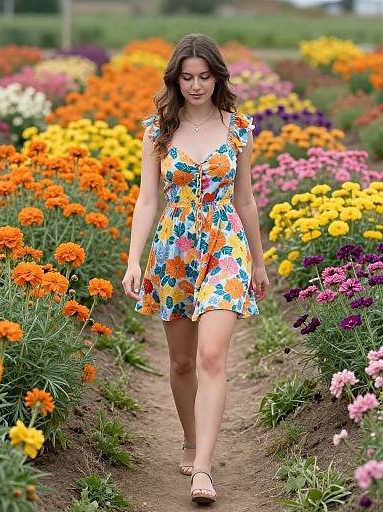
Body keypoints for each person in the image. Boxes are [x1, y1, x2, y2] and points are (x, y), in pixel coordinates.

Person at [122, 33, 269, 505]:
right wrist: (133, 258)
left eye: (204, 76)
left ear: (218, 76)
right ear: (175, 79)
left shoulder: (240, 128)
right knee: (183, 361)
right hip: (173, 250)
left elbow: (245, 199)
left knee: (211, 357)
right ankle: (189, 438)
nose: (196, 85)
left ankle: (202, 469)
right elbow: (148, 199)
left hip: (226, 245)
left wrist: (259, 261)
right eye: (187, 77)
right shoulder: (158, 129)